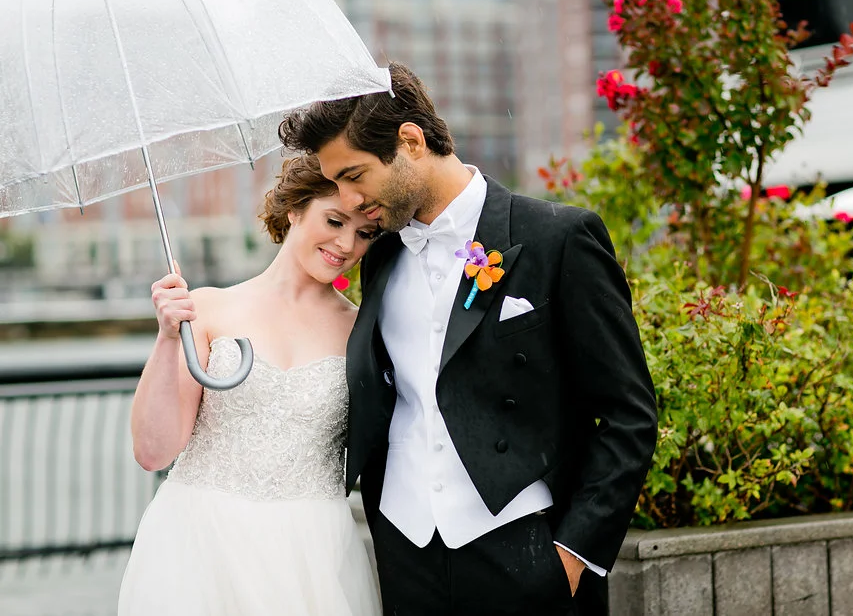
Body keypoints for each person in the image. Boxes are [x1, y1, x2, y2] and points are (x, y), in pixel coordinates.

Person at [279, 62, 658, 616]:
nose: (349, 200)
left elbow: (630, 413)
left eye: (354, 175)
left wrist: (574, 550)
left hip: (526, 547)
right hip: (406, 550)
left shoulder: (558, 238)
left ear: (409, 142)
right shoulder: (380, 254)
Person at [118, 155, 382, 616]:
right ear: (295, 209)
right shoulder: (207, 309)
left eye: (364, 233)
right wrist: (166, 338)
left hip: (313, 553)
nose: (345, 243)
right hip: (200, 543)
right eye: (335, 220)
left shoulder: (363, 332)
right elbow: (153, 451)